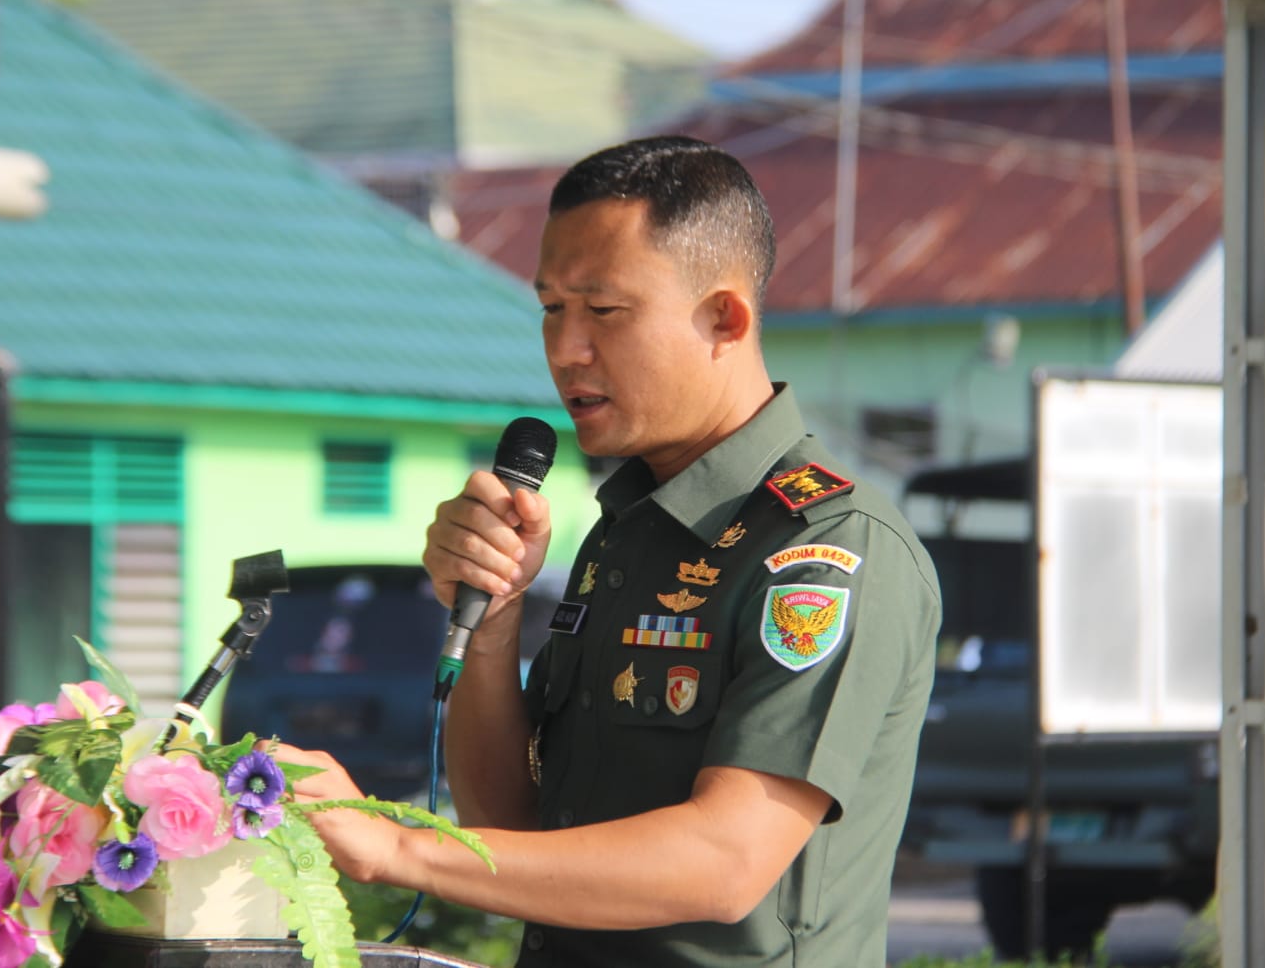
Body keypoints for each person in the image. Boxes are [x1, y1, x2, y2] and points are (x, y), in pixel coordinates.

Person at [270, 136, 942, 968]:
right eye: (551, 308)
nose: (565, 349)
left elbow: (723, 862)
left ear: (723, 318)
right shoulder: (628, 526)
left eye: (604, 311)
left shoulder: (824, 547)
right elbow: (510, 828)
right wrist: (494, 615)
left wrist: (398, 846)